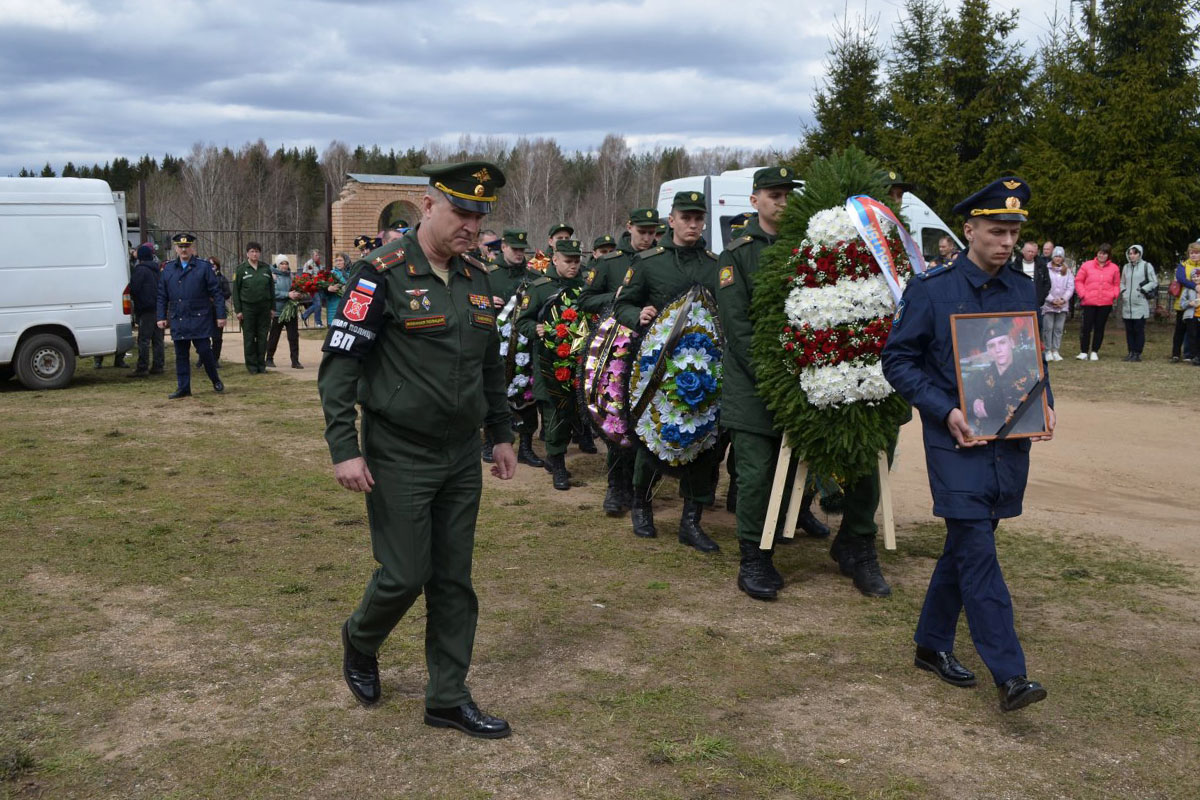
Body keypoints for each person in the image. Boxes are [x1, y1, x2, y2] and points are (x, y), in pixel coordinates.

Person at [318, 160, 515, 739]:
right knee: (405, 573)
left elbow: (488, 365)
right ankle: (360, 638)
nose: (472, 227)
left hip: (459, 455)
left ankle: (447, 698)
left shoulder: (477, 278)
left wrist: (500, 433)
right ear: (427, 207)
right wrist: (343, 448)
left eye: (480, 217)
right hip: (399, 451)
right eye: (461, 212)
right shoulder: (379, 274)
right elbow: (340, 366)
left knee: (454, 578)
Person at [881, 176, 1054, 713]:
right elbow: (898, 361)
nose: (1006, 242)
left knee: (964, 548)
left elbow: (1031, 361)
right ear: (969, 229)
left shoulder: (1023, 290)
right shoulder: (931, 291)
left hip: (1008, 445)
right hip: (955, 444)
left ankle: (931, 644)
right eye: (996, 231)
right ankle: (1011, 674)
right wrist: (946, 409)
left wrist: (1044, 404)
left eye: (1013, 233)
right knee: (978, 551)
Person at [717, 167, 862, 602]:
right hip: (754, 385)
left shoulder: (811, 246)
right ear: (754, 200)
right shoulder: (737, 255)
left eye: (788, 195)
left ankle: (779, 535)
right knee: (758, 473)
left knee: (798, 467)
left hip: (808, 378)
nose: (782, 202)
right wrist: (777, 377)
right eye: (774, 195)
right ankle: (753, 559)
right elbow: (738, 328)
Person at [614, 191, 721, 553]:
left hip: (705, 371)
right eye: (685, 217)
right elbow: (622, 303)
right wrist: (636, 315)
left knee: (705, 442)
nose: (692, 224)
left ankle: (691, 521)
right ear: (670, 221)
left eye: (698, 218)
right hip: (655, 373)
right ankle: (641, 506)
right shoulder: (648, 263)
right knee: (652, 439)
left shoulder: (715, 265)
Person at [580, 208, 661, 515]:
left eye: (652, 231)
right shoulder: (610, 263)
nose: (647, 237)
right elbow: (585, 299)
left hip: (654, 348)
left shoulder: (659, 261)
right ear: (629, 228)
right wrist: (615, 297)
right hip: (616, 351)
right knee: (618, 418)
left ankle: (644, 488)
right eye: (642, 231)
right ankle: (617, 487)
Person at [518, 239, 586, 490]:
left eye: (577, 261)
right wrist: (534, 328)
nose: (573, 266)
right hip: (550, 362)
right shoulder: (539, 288)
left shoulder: (585, 286)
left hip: (578, 360)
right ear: (554, 259)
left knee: (572, 415)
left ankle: (554, 456)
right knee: (554, 414)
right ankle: (557, 463)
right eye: (568, 261)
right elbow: (521, 321)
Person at [485, 228, 545, 468]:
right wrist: (486, 302)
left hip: (524, 348)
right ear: (503, 247)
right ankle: (489, 441)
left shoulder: (532, 277)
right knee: (493, 392)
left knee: (527, 395)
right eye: (514, 249)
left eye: (522, 249)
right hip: (493, 347)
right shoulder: (487, 275)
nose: (519, 253)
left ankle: (526, 447)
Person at [156, 233, 226, 399]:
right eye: (180, 247)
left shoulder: (203, 267)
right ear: (175, 249)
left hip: (199, 317)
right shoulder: (168, 269)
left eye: (187, 246)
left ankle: (215, 379)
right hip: (179, 317)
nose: (183, 249)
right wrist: (161, 316)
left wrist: (221, 315)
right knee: (181, 354)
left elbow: (216, 293)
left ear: (192, 248)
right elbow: (161, 295)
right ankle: (183, 387)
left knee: (204, 351)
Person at [964, 320, 1043, 437]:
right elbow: (964, 402)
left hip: (1015, 440)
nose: (998, 350)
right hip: (984, 439)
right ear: (988, 351)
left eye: (1002, 342)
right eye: (992, 346)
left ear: (1011, 343)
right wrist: (975, 406)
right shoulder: (978, 378)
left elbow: (1035, 420)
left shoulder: (1030, 379)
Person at [232, 242, 274, 374]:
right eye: (252, 251)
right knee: (249, 337)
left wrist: (272, 308)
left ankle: (261, 365)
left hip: (264, 308)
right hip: (248, 308)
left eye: (257, 251)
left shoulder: (266, 268)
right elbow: (235, 292)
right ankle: (251, 366)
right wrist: (238, 310)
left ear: (260, 253)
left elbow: (271, 289)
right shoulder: (241, 269)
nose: (254, 254)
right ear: (247, 253)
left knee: (262, 337)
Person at [1074, 244, 1120, 360]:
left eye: (1104, 253)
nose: (1101, 255)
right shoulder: (1087, 265)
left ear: (1108, 255)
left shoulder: (1114, 268)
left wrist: (1113, 295)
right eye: (1100, 252)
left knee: (1099, 328)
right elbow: (1079, 280)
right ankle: (1084, 351)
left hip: (1105, 302)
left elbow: (1116, 284)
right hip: (1089, 302)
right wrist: (1083, 294)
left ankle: (1095, 351)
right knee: (1086, 328)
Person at [127, 243, 164, 377]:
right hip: (158, 308)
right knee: (158, 340)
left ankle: (142, 367)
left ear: (141, 257)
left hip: (146, 309)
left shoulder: (140, 270)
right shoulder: (157, 269)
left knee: (143, 339)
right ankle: (158, 365)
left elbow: (134, 288)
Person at [1118, 245, 1158, 362]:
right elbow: (1122, 282)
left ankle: (1137, 352)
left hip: (1140, 302)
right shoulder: (1126, 267)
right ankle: (1131, 352)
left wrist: (1143, 289)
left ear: (1139, 254)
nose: (1132, 256)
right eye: (1130, 253)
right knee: (1129, 330)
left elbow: (1153, 281)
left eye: (1134, 253)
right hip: (1127, 303)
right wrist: (1124, 291)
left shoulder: (1146, 266)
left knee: (1138, 329)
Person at [265, 256, 306, 369]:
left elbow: (297, 289)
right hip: (278, 311)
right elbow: (272, 292)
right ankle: (269, 358)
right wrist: (287, 295)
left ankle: (295, 360)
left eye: (286, 263)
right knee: (274, 336)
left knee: (293, 337)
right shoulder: (272, 276)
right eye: (282, 263)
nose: (284, 266)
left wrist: (299, 295)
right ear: (277, 265)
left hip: (291, 311)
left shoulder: (291, 276)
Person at [1040, 247, 1074, 361]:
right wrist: (1052, 300)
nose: (1058, 259)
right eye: (1056, 256)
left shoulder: (1067, 271)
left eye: (1060, 256)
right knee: (1048, 328)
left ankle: (1056, 350)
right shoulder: (1046, 269)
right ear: (1052, 257)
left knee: (1058, 329)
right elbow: (1043, 286)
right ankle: (1048, 350)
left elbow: (1070, 287)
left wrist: (1063, 299)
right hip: (1049, 305)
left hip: (1062, 305)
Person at [199, 257, 232, 366]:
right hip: (204, 311)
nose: (212, 267)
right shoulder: (201, 278)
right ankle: (202, 358)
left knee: (217, 338)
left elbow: (227, 293)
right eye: (209, 264)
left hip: (218, 311)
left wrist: (217, 298)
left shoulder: (222, 279)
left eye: (213, 265)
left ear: (217, 266)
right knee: (203, 337)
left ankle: (215, 359)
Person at [1170, 242, 1200, 362]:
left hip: (1197, 307)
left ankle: (1193, 355)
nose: (1194, 255)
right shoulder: (1183, 265)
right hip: (1183, 303)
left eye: (1197, 253)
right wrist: (1195, 286)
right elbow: (1181, 279)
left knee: (1195, 333)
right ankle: (1176, 354)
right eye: (1192, 253)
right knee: (1180, 330)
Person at [301, 249, 327, 328]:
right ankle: (318, 323)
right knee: (318, 304)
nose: (318, 257)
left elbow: (322, 273)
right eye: (316, 255)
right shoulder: (309, 264)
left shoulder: (319, 264)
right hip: (313, 288)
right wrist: (315, 281)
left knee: (317, 304)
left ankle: (304, 316)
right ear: (312, 256)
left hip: (319, 287)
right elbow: (307, 276)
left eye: (318, 255)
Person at [327, 253, 352, 320]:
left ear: (346, 261)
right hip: (334, 306)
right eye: (336, 261)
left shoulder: (352, 273)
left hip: (349, 306)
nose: (338, 263)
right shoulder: (331, 273)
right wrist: (328, 289)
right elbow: (323, 292)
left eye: (340, 260)